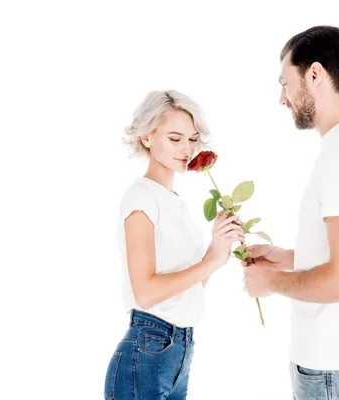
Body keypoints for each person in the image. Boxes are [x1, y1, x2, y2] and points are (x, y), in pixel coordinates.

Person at [242, 26, 339, 399]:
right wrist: (287, 260)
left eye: (285, 82)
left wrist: (272, 285)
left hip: (337, 376)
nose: (282, 98)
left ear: (314, 75)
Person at [104, 90, 244, 400]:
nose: (187, 149)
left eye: (193, 139)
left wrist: (216, 250)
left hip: (178, 350)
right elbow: (146, 291)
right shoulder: (141, 197)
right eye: (175, 138)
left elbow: (186, 290)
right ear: (147, 137)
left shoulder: (175, 202)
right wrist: (209, 262)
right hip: (149, 348)